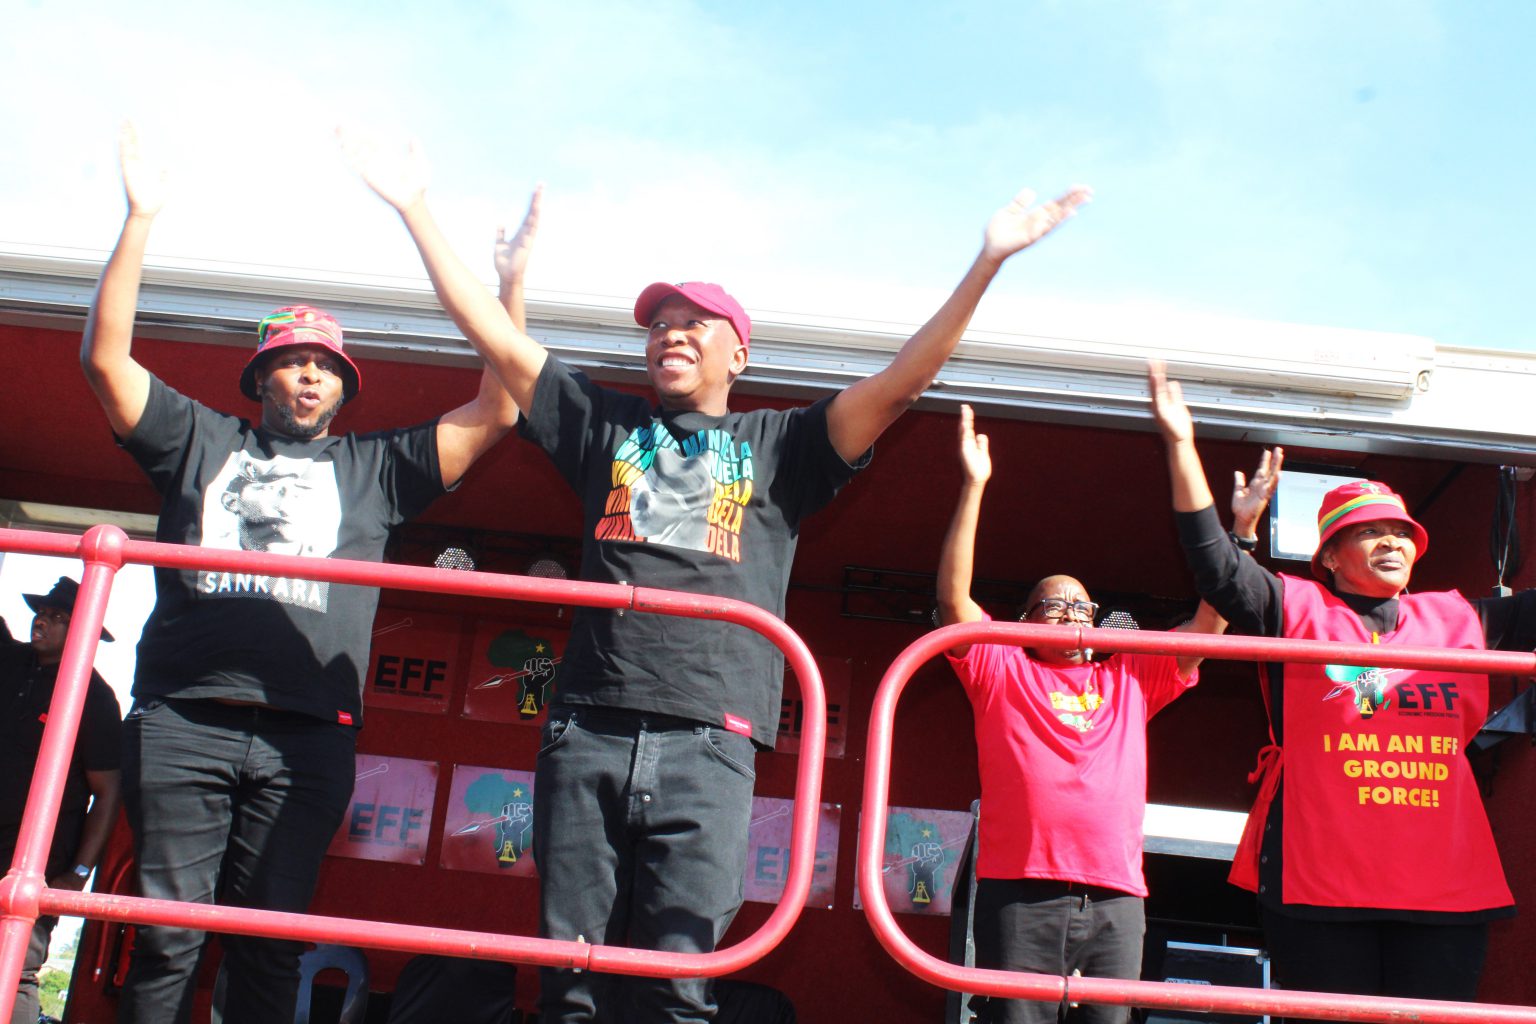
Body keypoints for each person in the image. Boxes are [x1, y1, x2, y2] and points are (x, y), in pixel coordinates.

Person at [346, 132, 1091, 1021]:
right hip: (587, 729)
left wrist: (987, 262)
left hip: (711, 740)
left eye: (693, 324)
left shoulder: (780, 446)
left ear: (739, 354)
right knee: (570, 988)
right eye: (659, 325)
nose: (670, 335)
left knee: (677, 993)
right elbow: (495, 341)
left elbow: (901, 383)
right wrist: (417, 211)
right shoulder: (601, 425)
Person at [78, 124, 524, 1024]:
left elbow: (501, 405)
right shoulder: (201, 439)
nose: (309, 377)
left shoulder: (376, 469)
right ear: (260, 376)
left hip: (309, 735)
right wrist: (140, 219)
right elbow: (103, 361)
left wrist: (509, 284)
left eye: (325, 366)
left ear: (346, 386)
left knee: (269, 941)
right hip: (185, 718)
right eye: (292, 362)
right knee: (165, 932)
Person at [1147, 359, 1532, 1007]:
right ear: (1328, 555)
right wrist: (1181, 444)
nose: (1391, 542)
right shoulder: (1298, 609)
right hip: (1321, 886)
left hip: (1445, 889)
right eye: (1368, 532)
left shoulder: (1459, 618)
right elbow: (1216, 572)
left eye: (1400, 533)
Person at [936, 405, 1224, 1024]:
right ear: (1023, 621)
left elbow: (1209, 627)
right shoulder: (1001, 667)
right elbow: (952, 602)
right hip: (1023, 891)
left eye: (1083, 607)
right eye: (1053, 606)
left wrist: (1240, 539)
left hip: (1119, 897)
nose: (1070, 614)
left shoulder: (1129, 674)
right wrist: (974, 485)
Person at [2, 577, 122, 1024]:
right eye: (44, 613)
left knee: (15, 969)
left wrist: (79, 872)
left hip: (36, 858)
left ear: (85, 632)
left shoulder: (96, 698)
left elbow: (108, 792)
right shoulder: (7, 659)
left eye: (60, 619)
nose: (43, 622)